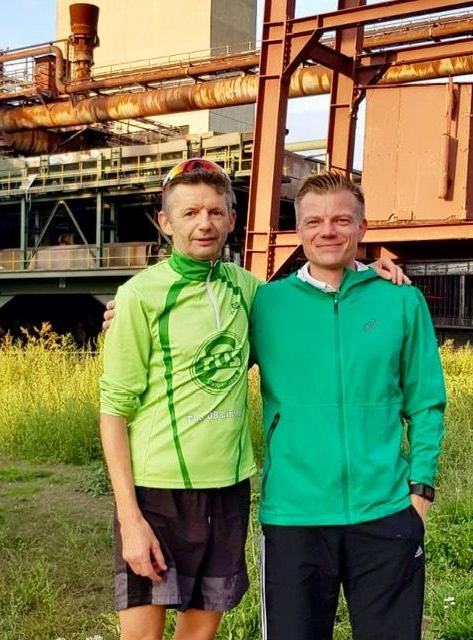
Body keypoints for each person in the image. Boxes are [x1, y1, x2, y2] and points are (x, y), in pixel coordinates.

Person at [99, 159, 406, 640]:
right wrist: (129, 517)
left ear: (232, 218)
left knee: (198, 634)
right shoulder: (138, 296)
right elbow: (114, 410)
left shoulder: (251, 293)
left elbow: (312, 294)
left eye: (216, 212)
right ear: (165, 222)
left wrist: (366, 270)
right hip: (155, 490)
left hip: (226, 488)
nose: (204, 223)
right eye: (190, 212)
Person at [250, 172, 446, 640]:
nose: (328, 231)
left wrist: (419, 491)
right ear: (298, 231)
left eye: (342, 219)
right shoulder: (265, 305)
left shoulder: (400, 300)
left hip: (385, 510)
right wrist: (133, 314)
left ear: (362, 227)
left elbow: (426, 402)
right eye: (314, 221)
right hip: (295, 514)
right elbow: (200, 354)